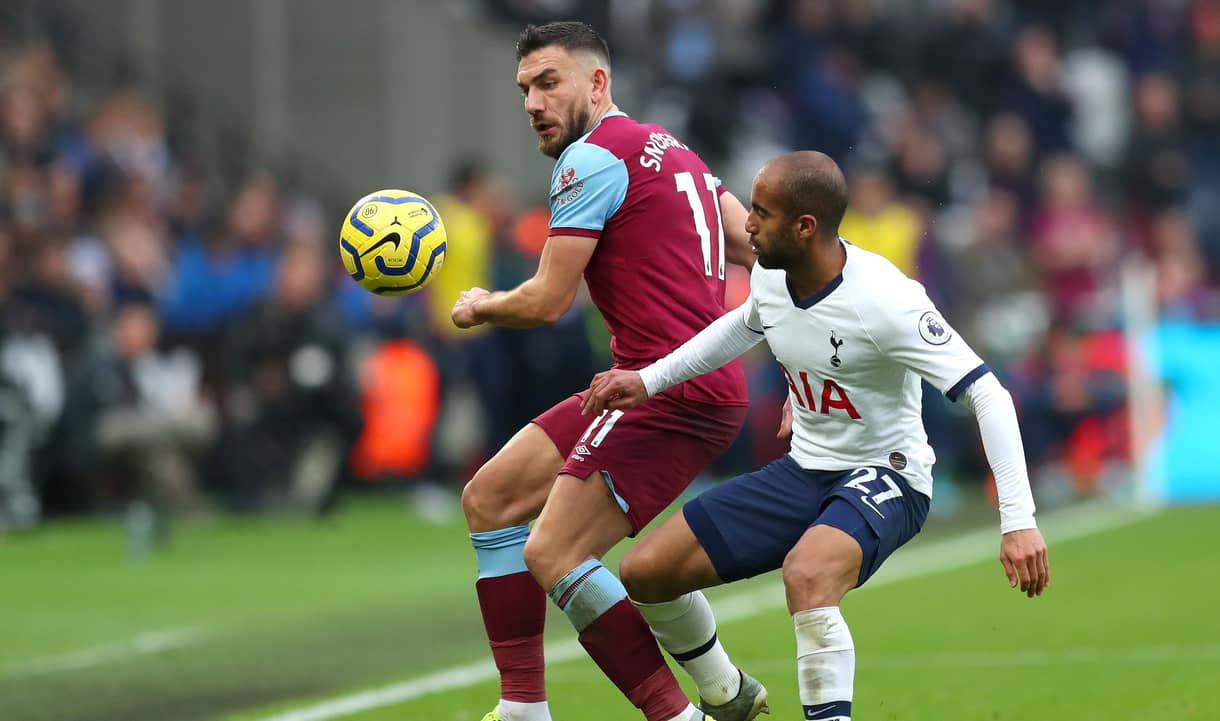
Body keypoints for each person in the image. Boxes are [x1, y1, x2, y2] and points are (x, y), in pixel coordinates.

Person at [583, 151, 1051, 721]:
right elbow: (745, 324)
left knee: (807, 573)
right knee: (646, 572)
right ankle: (728, 695)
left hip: (889, 475)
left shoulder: (886, 299)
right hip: (805, 469)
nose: (747, 224)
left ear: (805, 227)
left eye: (762, 213)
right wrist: (647, 381)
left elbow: (989, 394)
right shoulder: (770, 277)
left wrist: (1019, 520)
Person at [450, 20, 768, 721]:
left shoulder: (587, 160)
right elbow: (754, 240)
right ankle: (528, 705)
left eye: (549, 82)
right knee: (491, 497)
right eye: (525, 88)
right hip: (663, 382)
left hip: (663, 391)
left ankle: (676, 716)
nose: (533, 101)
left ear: (598, 83)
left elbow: (546, 301)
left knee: (555, 549)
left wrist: (481, 305)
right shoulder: (674, 150)